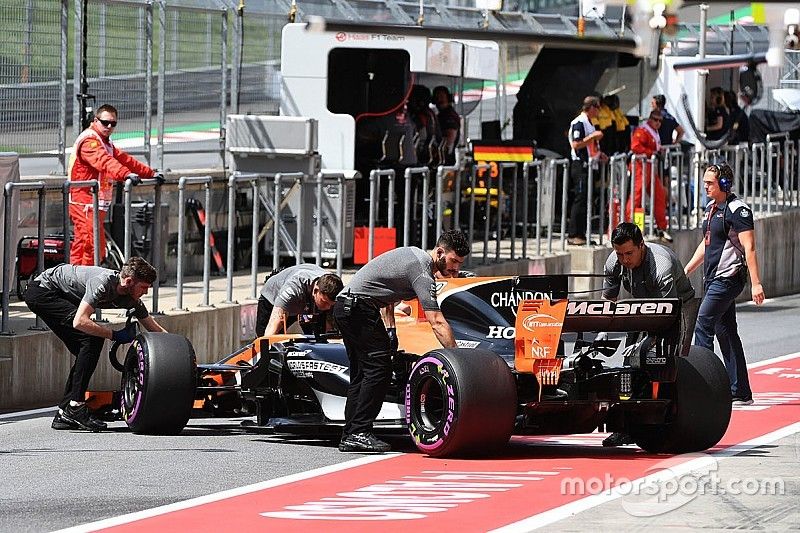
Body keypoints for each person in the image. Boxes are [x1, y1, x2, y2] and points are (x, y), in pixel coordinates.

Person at [334, 230, 470, 453]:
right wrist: (459, 360)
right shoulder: (421, 270)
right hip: (358, 308)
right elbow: (436, 321)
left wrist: (391, 330)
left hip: (348, 306)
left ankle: (351, 434)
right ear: (439, 252)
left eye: (460, 263)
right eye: (453, 261)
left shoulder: (414, 258)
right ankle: (359, 432)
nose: (455, 268)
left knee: (362, 373)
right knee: (378, 370)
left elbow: (387, 292)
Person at [23, 257, 167, 432]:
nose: (146, 292)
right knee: (91, 339)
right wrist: (114, 335)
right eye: (143, 287)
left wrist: (181, 349)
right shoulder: (102, 283)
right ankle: (75, 406)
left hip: (63, 297)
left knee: (85, 350)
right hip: (43, 291)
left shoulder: (131, 298)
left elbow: (154, 328)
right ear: (129, 281)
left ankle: (65, 412)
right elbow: (80, 322)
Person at [600, 222, 697, 446]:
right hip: (641, 306)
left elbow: (666, 315)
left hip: (677, 307)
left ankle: (668, 420)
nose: (624, 260)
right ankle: (626, 427)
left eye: (629, 253)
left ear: (641, 246)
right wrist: (603, 330)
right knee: (629, 364)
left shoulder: (661, 265)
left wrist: (646, 342)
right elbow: (608, 301)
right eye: (620, 254)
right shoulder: (614, 262)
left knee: (661, 361)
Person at [685, 162, 765, 406]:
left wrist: (756, 284)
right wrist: (687, 270)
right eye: (705, 182)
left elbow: (750, 248)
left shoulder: (738, 210)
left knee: (703, 323)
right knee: (726, 331)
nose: (705, 187)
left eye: (710, 183)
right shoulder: (710, 209)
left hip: (728, 278)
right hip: (712, 279)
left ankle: (703, 387)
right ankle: (740, 391)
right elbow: (706, 243)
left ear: (725, 183)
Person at [68, 104, 162, 266]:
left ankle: (75, 277)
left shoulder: (105, 143)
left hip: (93, 203)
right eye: (105, 122)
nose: (109, 126)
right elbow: (104, 161)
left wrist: (150, 173)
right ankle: (83, 278)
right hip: (84, 202)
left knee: (86, 245)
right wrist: (125, 174)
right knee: (91, 245)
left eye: (113, 124)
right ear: (95, 120)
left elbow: (126, 160)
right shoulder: (90, 141)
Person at [255, 264, 343, 337]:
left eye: (331, 304)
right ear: (316, 290)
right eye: (324, 302)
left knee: (319, 337)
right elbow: (273, 326)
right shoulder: (292, 290)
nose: (328, 307)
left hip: (306, 301)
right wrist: (266, 347)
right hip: (272, 298)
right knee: (267, 339)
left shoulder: (334, 289)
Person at [628, 110, 672, 243]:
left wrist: (656, 152)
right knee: (637, 196)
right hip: (641, 167)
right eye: (655, 120)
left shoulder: (653, 132)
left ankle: (661, 227)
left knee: (659, 195)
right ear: (650, 119)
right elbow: (635, 146)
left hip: (650, 167)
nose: (658, 123)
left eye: (660, 121)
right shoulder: (642, 130)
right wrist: (651, 152)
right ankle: (629, 225)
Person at [567, 96, 606, 245]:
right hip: (580, 166)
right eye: (597, 107)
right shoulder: (579, 122)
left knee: (587, 200)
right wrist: (593, 137)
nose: (599, 111)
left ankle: (581, 234)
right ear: (591, 107)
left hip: (590, 166)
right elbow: (576, 144)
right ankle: (573, 234)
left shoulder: (589, 123)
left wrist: (599, 154)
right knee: (580, 198)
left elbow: (590, 147)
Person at [432, 86, 460, 166]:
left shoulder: (449, 115)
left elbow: (450, 138)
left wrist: (438, 153)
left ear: (448, 98)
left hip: (446, 159)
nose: (439, 100)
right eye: (437, 98)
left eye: (441, 97)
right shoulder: (441, 115)